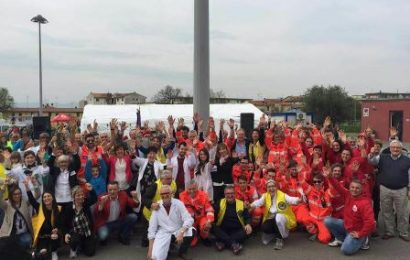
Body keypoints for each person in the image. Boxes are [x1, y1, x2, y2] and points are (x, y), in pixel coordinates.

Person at [323, 167, 375, 255]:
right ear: (349, 187)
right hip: (347, 226)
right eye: (352, 187)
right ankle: (341, 239)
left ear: (361, 189)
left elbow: (370, 222)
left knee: (345, 250)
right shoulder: (348, 195)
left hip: (357, 231)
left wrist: (360, 234)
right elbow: (338, 186)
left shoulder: (365, 203)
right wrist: (330, 177)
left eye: (357, 188)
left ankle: (364, 240)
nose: (354, 190)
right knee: (327, 220)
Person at [368, 140, 410, 242]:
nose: (395, 149)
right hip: (385, 189)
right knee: (387, 211)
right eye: (393, 147)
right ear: (390, 148)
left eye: (398, 147)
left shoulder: (407, 160)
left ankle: (403, 232)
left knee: (402, 212)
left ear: (401, 149)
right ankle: (389, 231)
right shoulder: (382, 157)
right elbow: (371, 161)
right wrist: (371, 154)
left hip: (401, 189)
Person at [147, 185, 194, 260]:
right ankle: (168, 248)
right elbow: (152, 228)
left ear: (171, 193)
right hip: (163, 232)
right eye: (162, 194)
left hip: (178, 230)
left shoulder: (178, 203)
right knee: (154, 257)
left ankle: (182, 252)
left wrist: (181, 232)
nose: (165, 195)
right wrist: (150, 251)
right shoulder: (157, 206)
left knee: (191, 231)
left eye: (167, 193)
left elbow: (189, 219)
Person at [250, 180, 300, 250]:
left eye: (273, 186)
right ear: (267, 188)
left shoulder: (282, 195)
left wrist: (298, 200)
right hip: (271, 218)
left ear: (276, 187)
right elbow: (258, 202)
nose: (271, 189)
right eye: (269, 187)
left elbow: (291, 199)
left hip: (283, 218)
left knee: (278, 218)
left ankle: (280, 238)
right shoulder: (265, 196)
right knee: (265, 227)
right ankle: (277, 233)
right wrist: (250, 205)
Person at [94, 181, 139, 245]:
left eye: (114, 189)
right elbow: (96, 213)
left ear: (118, 189)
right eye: (110, 190)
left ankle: (123, 236)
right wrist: (102, 204)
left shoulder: (123, 195)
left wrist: (135, 197)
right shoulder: (102, 197)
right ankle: (104, 237)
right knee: (102, 236)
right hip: (106, 223)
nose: (112, 192)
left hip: (118, 220)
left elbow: (135, 205)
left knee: (133, 217)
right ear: (107, 190)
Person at [212, 185, 252, 255]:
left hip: (237, 230)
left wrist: (248, 224)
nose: (230, 195)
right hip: (223, 229)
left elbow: (247, 217)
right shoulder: (220, 202)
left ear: (235, 194)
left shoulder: (241, 203)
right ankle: (234, 244)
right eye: (228, 194)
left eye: (232, 193)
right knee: (212, 226)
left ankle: (223, 242)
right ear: (224, 194)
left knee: (247, 231)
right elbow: (213, 213)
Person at [141, 170, 177, 247]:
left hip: (163, 214)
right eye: (166, 179)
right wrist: (151, 204)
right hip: (149, 214)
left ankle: (166, 244)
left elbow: (174, 196)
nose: (169, 181)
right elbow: (144, 198)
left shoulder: (174, 184)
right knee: (147, 238)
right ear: (161, 179)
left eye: (170, 178)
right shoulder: (155, 186)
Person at [62, 185, 97, 258]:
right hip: (75, 232)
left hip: (87, 232)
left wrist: (91, 190)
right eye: (78, 195)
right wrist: (66, 233)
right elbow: (64, 223)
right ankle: (73, 248)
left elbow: (94, 199)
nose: (81, 197)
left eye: (82, 195)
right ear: (73, 197)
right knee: (75, 239)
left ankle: (82, 244)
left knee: (90, 252)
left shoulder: (85, 203)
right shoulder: (69, 208)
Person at [28, 190, 62, 260]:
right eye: (44, 197)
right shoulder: (39, 208)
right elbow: (31, 200)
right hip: (42, 237)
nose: (46, 198)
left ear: (52, 198)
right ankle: (41, 251)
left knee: (55, 237)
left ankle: (54, 251)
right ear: (42, 199)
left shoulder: (57, 209)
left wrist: (57, 230)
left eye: (48, 196)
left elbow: (60, 225)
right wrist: (27, 187)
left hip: (53, 236)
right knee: (43, 254)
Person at [179, 180, 214, 246]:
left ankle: (204, 237)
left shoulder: (204, 195)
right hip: (190, 219)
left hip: (201, 217)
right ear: (186, 189)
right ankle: (194, 236)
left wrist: (209, 221)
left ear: (197, 188)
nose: (192, 191)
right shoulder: (182, 195)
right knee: (192, 244)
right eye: (189, 189)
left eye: (194, 189)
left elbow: (209, 209)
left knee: (206, 226)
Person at [0, 184, 33, 250]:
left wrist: (28, 186)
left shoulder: (24, 203)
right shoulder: (7, 204)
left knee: (27, 240)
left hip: (24, 233)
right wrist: (3, 188)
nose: (17, 196)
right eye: (15, 194)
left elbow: (36, 195)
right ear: (11, 195)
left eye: (19, 193)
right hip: (11, 233)